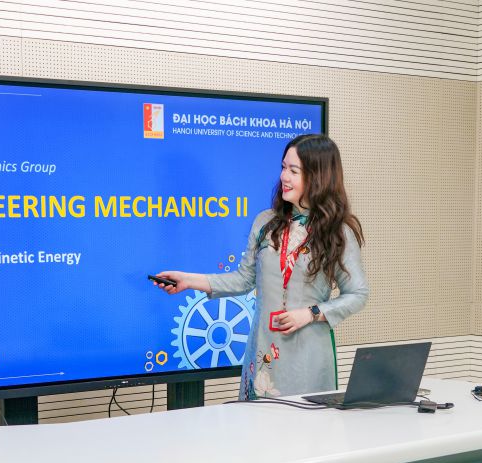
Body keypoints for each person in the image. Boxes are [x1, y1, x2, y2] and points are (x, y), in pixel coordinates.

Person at [153, 134, 368, 400]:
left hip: (308, 356)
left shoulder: (338, 232)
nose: (283, 177)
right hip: (263, 349)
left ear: (318, 176)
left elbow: (358, 294)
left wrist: (312, 313)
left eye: (294, 171)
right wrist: (188, 280)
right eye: (283, 167)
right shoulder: (266, 222)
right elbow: (243, 279)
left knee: (306, 425)